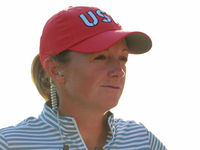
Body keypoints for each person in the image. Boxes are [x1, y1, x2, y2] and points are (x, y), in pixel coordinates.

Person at [0, 6, 167, 150]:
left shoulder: (142, 140)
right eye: (100, 57)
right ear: (55, 70)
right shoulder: (10, 144)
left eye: (122, 58)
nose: (119, 71)